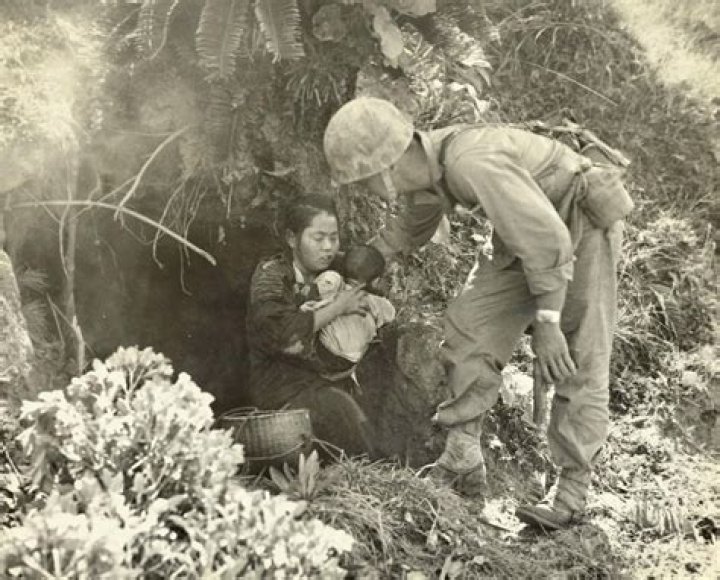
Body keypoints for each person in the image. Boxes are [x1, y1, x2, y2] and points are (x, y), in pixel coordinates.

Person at [323, 97, 632, 530]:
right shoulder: (430, 169)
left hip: (576, 227)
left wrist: (547, 324)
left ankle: (571, 491)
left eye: (362, 182)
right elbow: (413, 223)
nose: (364, 192)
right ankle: (463, 455)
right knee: (470, 325)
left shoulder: (471, 162)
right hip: (523, 234)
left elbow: (549, 242)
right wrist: (368, 258)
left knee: (577, 356)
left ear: (384, 168)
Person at [246, 193, 377, 459]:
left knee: (357, 412)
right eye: (318, 238)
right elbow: (280, 333)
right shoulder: (271, 275)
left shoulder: (338, 266)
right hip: (282, 390)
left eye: (334, 238)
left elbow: (371, 276)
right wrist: (338, 307)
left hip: (327, 382)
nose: (328, 247)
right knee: (339, 410)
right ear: (292, 238)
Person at [300, 244, 396, 369]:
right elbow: (391, 314)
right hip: (350, 360)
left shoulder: (335, 284)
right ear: (375, 281)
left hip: (324, 349)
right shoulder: (376, 302)